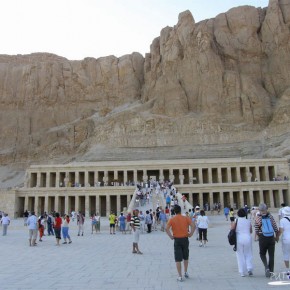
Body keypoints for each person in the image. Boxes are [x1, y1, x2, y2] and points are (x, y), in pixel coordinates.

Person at [166, 205, 195, 282]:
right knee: (186, 256)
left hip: (177, 240)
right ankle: (186, 272)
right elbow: (193, 225)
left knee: (178, 259)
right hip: (185, 239)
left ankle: (180, 276)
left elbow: (166, 228)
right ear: (180, 210)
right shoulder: (185, 218)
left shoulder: (172, 219)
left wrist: (171, 236)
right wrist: (191, 234)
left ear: (174, 211)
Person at [255, 203, 279, 277]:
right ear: (266, 209)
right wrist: (276, 237)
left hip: (262, 237)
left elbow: (256, 230)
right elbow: (275, 227)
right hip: (271, 237)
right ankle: (271, 272)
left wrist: (260, 236)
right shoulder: (270, 216)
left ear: (259, 210)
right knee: (271, 255)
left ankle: (266, 267)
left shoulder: (258, 218)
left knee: (262, 253)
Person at [233, 208, 253, 277]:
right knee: (248, 253)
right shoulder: (248, 221)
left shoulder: (236, 220)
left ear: (238, 214)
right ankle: (249, 268)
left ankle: (242, 272)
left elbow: (233, 229)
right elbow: (251, 231)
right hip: (247, 238)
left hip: (239, 239)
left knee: (240, 255)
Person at [279, 206, 290, 275]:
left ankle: (288, 270)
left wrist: (277, 237)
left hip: (286, 238)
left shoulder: (282, 220)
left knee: (286, 254)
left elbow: (281, 230)